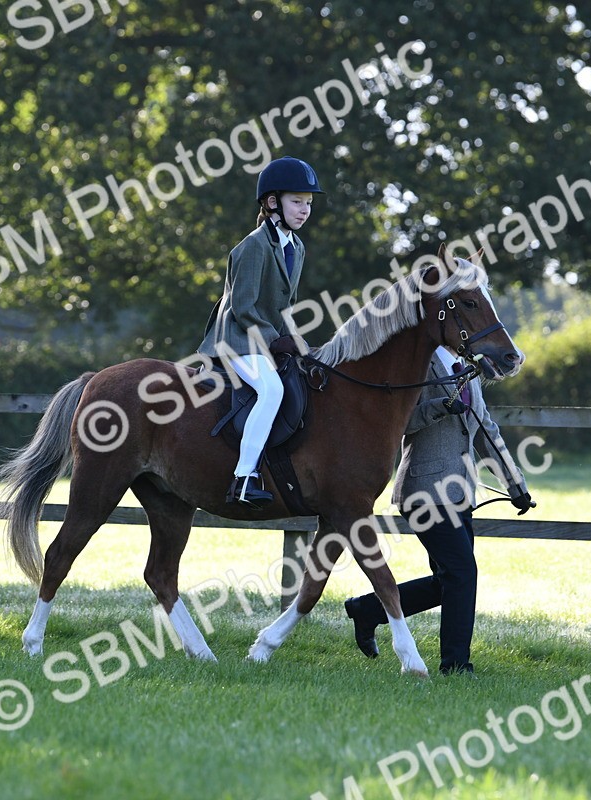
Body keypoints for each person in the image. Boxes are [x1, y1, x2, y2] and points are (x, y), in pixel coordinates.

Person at [343, 347, 533, 675]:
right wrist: (437, 407)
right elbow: (396, 420)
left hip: (460, 493)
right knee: (462, 574)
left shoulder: (470, 368)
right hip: (424, 490)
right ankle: (456, 666)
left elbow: (486, 429)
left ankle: (368, 609)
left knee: (448, 582)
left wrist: (515, 485)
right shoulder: (417, 361)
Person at [197, 156, 324, 508]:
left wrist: (296, 341)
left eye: (308, 203)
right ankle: (244, 477)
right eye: (297, 201)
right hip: (237, 338)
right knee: (270, 389)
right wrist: (275, 340)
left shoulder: (296, 248)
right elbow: (244, 306)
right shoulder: (253, 245)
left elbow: (285, 307)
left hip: (264, 339)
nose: (304, 210)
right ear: (272, 202)